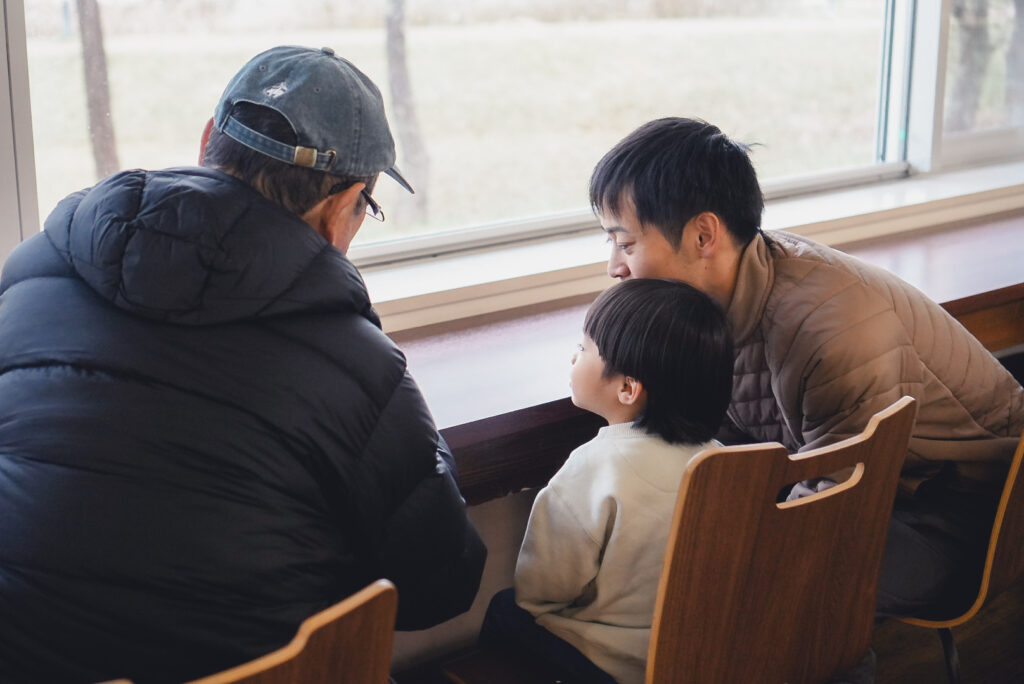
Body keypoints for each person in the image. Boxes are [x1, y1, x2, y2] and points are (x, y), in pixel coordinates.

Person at [0, 46, 485, 683]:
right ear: (345, 205)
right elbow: (439, 586)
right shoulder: (355, 365)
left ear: (208, 140)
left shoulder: (32, 271)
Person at [588, 117, 1024, 621]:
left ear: (704, 235)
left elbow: (836, 510)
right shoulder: (721, 289)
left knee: (747, 590)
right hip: (872, 492)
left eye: (625, 243)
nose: (614, 268)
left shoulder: (831, 328)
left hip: (967, 510)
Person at [481, 278, 735, 684]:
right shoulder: (722, 461)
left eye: (584, 348)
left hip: (616, 668)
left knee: (505, 610)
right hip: (697, 653)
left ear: (628, 388)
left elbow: (539, 592)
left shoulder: (593, 468)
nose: (574, 358)